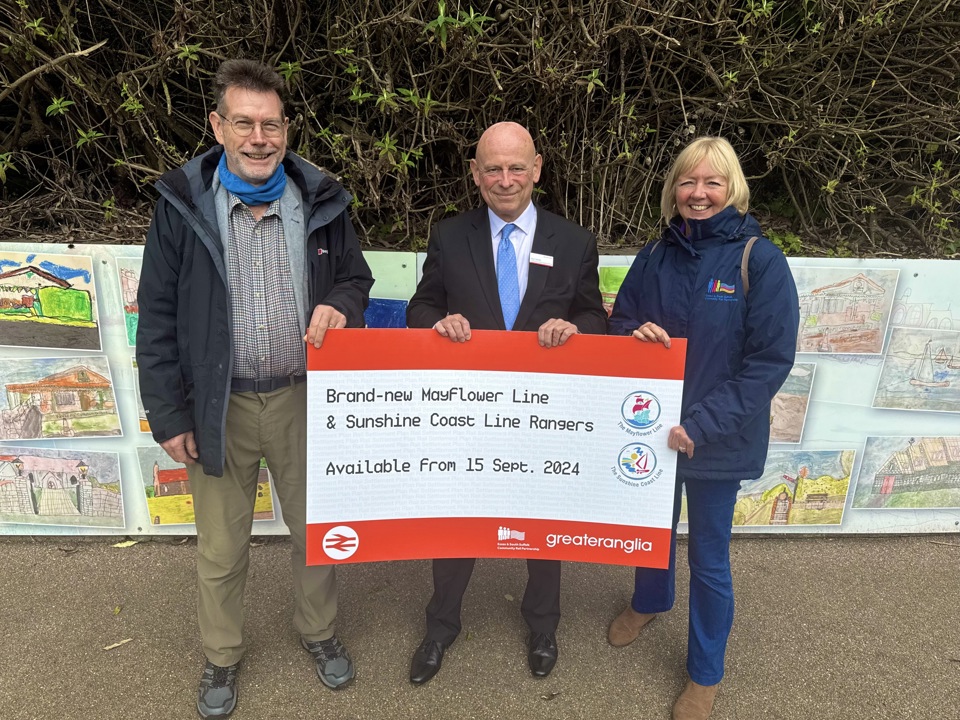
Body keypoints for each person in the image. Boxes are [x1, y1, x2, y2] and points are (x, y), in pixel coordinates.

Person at [137, 59, 373, 718]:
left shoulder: (322, 200)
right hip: (218, 406)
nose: (259, 137)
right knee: (220, 545)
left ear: (288, 129)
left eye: (271, 124)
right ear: (218, 125)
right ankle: (221, 654)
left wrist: (342, 307)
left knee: (318, 532)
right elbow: (155, 317)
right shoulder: (183, 206)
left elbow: (355, 278)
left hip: (305, 400)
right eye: (244, 122)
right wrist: (169, 414)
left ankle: (319, 634)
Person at [405, 121, 607, 684]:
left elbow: (595, 316)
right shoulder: (449, 236)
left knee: (543, 526)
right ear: (475, 174)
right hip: (468, 415)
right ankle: (440, 627)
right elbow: (419, 307)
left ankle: (543, 625)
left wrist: (575, 327)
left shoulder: (573, 241)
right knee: (456, 525)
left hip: (544, 418)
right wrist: (437, 322)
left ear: (537, 169)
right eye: (492, 168)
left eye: (517, 167)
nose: (505, 179)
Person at [606, 136, 799, 720]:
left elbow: (770, 360)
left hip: (717, 438)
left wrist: (703, 425)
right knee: (650, 533)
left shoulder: (758, 259)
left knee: (709, 558)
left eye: (712, 183)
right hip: (652, 432)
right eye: (688, 182)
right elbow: (620, 323)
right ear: (674, 190)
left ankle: (705, 673)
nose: (698, 194)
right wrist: (633, 333)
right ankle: (650, 600)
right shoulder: (655, 254)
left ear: (732, 189)